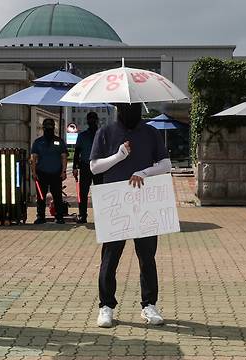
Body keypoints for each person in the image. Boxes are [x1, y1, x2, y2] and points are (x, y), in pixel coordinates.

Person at [89, 103, 172, 328]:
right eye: (125, 106)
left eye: (134, 106)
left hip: (144, 201)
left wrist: (143, 172)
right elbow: (94, 167)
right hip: (115, 202)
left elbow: (166, 164)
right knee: (109, 258)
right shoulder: (105, 132)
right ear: (117, 108)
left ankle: (149, 305)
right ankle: (106, 306)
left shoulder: (151, 132)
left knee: (147, 257)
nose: (130, 111)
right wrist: (118, 156)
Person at [31, 118, 68, 224]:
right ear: (43, 128)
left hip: (56, 173)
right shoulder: (38, 142)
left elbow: (64, 157)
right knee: (41, 196)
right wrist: (34, 172)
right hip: (41, 173)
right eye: (47, 126)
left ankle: (59, 216)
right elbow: (33, 158)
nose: (48, 129)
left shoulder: (59, 141)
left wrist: (64, 171)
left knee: (57, 196)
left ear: (53, 128)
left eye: (50, 126)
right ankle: (40, 216)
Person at [72, 112, 103, 224]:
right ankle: (83, 215)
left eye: (93, 119)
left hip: (99, 165)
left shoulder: (102, 134)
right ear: (87, 121)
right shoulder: (82, 135)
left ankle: (101, 215)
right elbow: (77, 152)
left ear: (97, 120)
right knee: (83, 192)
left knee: (99, 192)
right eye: (90, 119)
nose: (92, 121)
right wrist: (74, 167)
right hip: (85, 166)